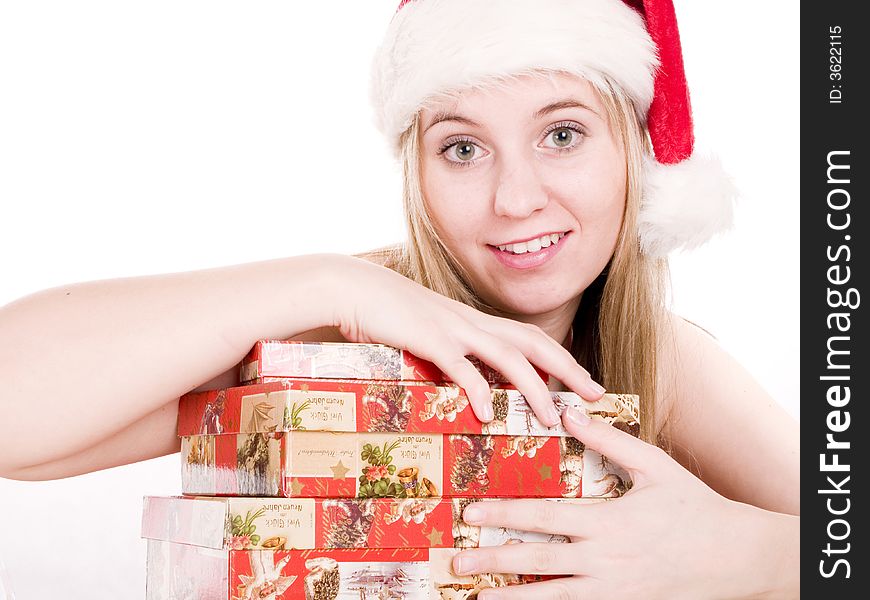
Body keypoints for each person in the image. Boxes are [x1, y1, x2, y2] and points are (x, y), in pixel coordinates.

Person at [0, 0, 798, 597]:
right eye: (461, 147)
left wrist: (745, 553)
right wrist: (328, 280)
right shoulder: (326, 342)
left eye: (562, 134)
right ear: (416, 173)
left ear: (635, 150)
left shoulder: (664, 362)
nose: (516, 199)